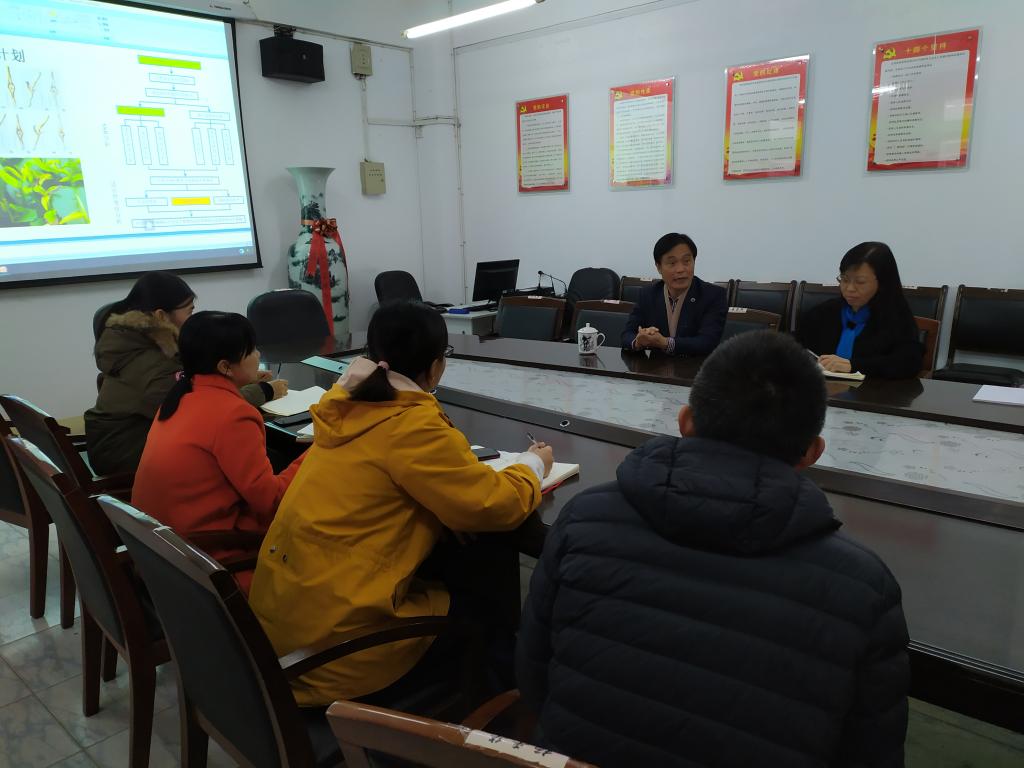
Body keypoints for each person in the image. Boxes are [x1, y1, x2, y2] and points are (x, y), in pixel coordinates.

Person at [517, 330, 909, 768]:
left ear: (685, 421)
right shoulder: (864, 587)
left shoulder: (583, 518)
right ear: (812, 453)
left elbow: (533, 677)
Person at [249, 300, 553, 708]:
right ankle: (494, 708)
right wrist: (533, 466)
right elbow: (492, 505)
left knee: (464, 556)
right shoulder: (410, 424)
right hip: (336, 651)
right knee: (486, 593)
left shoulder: (348, 406)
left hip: (286, 629)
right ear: (436, 366)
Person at [131, 311, 304, 592]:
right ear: (225, 367)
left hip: (160, 555)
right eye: (251, 350)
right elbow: (270, 501)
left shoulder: (180, 396)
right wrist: (314, 454)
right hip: (209, 566)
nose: (258, 355)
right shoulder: (233, 414)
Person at [84, 272, 287, 475]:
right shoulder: (149, 360)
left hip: (128, 440)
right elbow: (199, 409)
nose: (192, 320)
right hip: (126, 453)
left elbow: (192, 386)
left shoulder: (140, 342)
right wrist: (264, 391)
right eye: (189, 312)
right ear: (161, 316)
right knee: (261, 456)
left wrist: (238, 379)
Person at [796, 241, 924, 378]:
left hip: (874, 391)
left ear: (882, 282)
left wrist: (854, 365)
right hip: (823, 388)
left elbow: (909, 363)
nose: (850, 288)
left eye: (860, 282)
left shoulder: (897, 317)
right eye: (844, 280)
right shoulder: (824, 312)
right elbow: (794, 344)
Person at [621, 232, 728, 356]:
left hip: (697, 367)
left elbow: (707, 342)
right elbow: (627, 335)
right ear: (659, 267)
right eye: (672, 263)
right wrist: (639, 340)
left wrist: (666, 343)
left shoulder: (713, 295)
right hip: (656, 366)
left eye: (686, 261)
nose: (681, 269)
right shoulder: (648, 294)